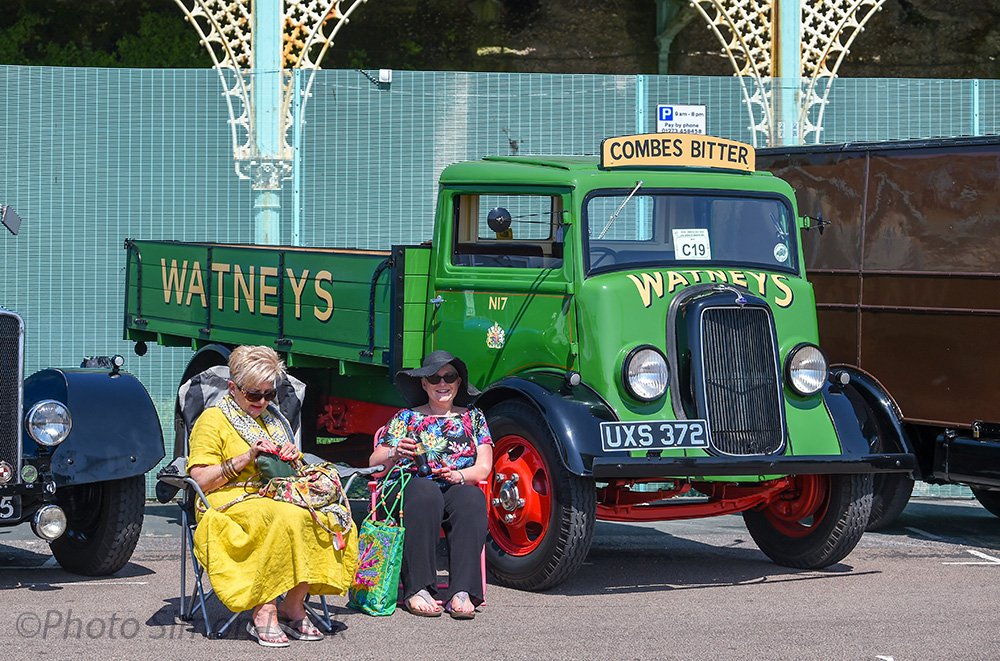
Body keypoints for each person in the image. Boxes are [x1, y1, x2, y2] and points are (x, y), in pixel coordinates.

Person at [187, 345, 357, 647]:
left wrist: (293, 457)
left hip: (275, 494)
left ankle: (293, 602)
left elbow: (288, 473)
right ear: (233, 388)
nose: (262, 402)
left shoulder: (274, 420)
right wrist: (245, 458)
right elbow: (200, 479)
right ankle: (264, 608)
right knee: (282, 516)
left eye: (269, 394)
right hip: (226, 499)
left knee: (325, 514)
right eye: (254, 395)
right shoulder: (212, 421)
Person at [368, 350, 493, 619]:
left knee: (472, 500)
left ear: (458, 382)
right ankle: (419, 588)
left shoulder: (474, 418)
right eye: (434, 378)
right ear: (423, 384)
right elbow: (374, 462)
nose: (442, 383)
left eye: (449, 377)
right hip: (411, 485)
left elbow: (484, 466)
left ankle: (462, 592)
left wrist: (459, 475)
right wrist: (395, 452)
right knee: (426, 494)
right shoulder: (406, 418)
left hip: (455, 483)